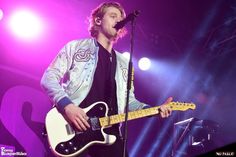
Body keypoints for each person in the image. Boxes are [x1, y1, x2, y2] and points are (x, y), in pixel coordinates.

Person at [41, 2, 172, 157]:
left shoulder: (125, 64)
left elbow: (128, 102)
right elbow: (48, 78)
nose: (119, 20)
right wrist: (67, 106)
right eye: (113, 16)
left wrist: (154, 110)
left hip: (109, 133)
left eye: (121, 18)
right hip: (75, 126)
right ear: (98, 20)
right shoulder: (75, 47)